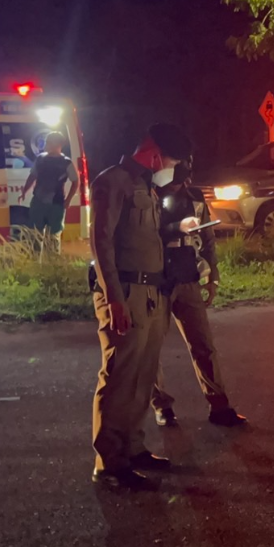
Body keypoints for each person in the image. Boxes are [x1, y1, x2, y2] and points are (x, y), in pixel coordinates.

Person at [89, 123, 192, 490]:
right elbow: (101, 243)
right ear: (153, 152)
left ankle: (133, 448)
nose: (168, 168)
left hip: (151, 293)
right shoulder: (112, 181)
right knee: (119, 379)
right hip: (126, 292)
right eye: (169, 161)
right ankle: (110, 464)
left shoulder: (147, 185)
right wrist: (114, 297)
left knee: (143, 378)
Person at [150, 157, 248, 428]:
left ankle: (219, 405)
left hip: (188, 277)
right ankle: (161, 406)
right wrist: (175, 229)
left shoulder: (194, 197)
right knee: (151, 350)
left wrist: (212, 276)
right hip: (157, 281)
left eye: (185, 179)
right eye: (177, 180)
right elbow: (144, 235)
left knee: (204, 345)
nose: (183, 185)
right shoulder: (148, 194)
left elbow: (207, 239)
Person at [18, 133, 79, 253]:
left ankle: (52, 264)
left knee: (53, 237)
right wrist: (24, 191)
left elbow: (76, 182)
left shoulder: (66, 163)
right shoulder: (40, 159)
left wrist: (68, 200)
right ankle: (35, 264)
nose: (46, 144)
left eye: (49, 142)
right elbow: (32, 176)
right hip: (38, 202)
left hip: (56, 204)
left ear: (57, 144)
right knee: (35, 234)